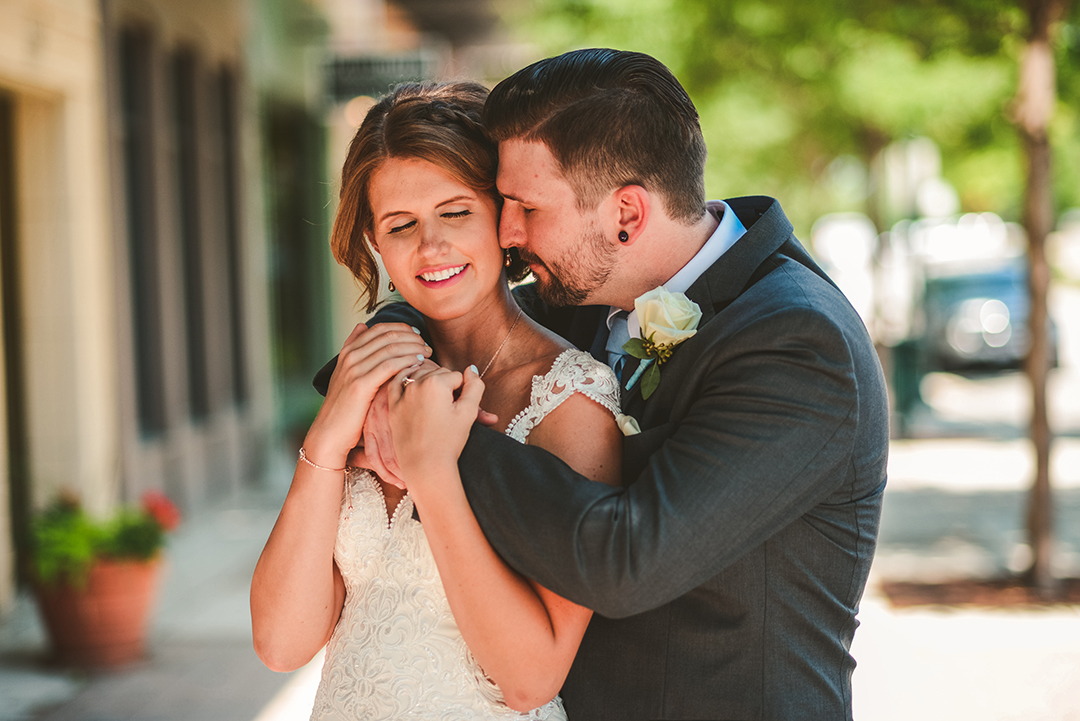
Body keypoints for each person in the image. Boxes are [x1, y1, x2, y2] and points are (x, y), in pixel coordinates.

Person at [338, 49, 890, 720]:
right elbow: (446, 307)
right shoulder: (584, 288)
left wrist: (438, 440)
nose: (507, 234)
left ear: (626, 214)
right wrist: (397, 366)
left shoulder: (800, 343)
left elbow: (629, 561)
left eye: (524, 207)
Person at [250, 81, 624, 720]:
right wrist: (325, 440)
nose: (430, 247)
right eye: (401, 225)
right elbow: (283, 644)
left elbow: (531, 679)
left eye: (455, 212)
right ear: (374, 238)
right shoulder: (368, 378)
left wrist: (432, 474)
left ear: (502, 218)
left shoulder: (570, 400)